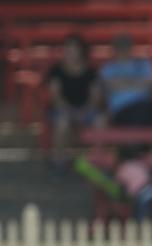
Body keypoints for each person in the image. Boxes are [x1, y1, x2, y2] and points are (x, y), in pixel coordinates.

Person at [46, 34, 101, 167]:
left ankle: (98, 159)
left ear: (81, 51)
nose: (70, 53)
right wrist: (69, 110)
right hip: (63, 109)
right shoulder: (56, 70)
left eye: (74, 49)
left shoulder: (91, 71)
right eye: (67, 49)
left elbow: (95, 97)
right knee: (62, 121)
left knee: (100, 120)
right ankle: (59, 160)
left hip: (86, 109)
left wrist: (84, 110)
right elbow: (56, 96)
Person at [99, 34, 152, 127]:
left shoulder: (144, 64)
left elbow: (149, 85)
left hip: (145, 108)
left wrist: (122, 83)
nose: (123, 50)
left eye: (125, 46)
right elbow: (110, 86)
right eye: (120, 47)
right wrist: (137, 83)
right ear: (114, 49)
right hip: (120, 111)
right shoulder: (108, 68)